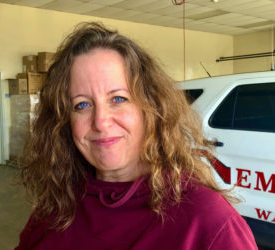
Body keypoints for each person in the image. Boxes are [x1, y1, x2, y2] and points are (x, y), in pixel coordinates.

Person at [15, 22, 257, 250]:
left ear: (151, 109)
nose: (100, 121)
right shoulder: (56, 207)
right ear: (64, 121)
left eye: (118, 99)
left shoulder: (208, 222)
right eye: (82, 105)